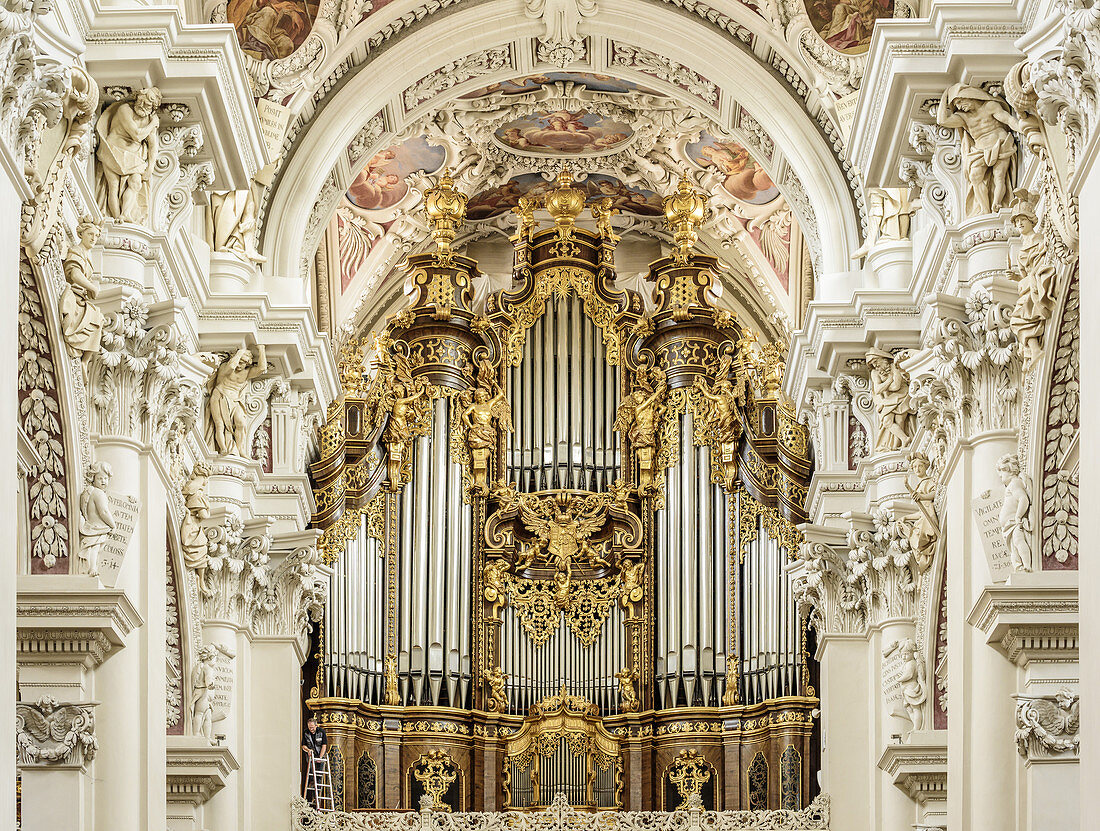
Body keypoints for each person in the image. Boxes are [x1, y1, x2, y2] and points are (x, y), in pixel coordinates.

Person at [302, 716, 329, 805]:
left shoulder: (321, 732)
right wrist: (308, 750)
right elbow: (303, 746)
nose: (311, 729)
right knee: (311, 776)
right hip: (311, 758)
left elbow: (324, 745)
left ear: (316, 726)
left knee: (319, 777)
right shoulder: (306, 733)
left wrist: (320, 758)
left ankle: (317, 798)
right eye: (309, 728)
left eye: (312, 728)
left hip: (320, 757)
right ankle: (312, 796)